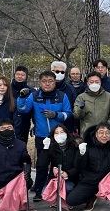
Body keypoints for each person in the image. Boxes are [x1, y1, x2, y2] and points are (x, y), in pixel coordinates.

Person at [16, 70, 72, 201]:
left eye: (50, 81)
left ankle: (56, 187)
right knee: (41, 164)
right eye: (44, 81)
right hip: (42, 136)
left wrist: (56, 115)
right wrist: (21, 98)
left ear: (55, 82)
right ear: (40, 83)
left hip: (58, 136)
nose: (47, 84)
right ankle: (39, 190)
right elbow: (22, 109)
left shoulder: (62, 96)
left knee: (58, 163)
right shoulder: (34, 96)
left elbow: (68, 113)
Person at [66, 123, 110, 211]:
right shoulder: (88, 147)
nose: (104, 135)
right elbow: (79, 167)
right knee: (72, 200)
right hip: (90, 181)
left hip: (108, 181)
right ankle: (91, 196)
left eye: (107, 133)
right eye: (101, 132)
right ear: (96, 134)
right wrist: (81, 154)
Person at [37, 124, 86, 196]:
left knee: (67, 188)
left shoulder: (74, 146)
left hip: (71, 179)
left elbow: (79, 166)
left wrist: (68, 173)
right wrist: (45, 149)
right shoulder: (51, 147)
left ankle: (67, 199)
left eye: (62, 132)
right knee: (45, 191)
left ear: (66, 133)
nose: (59, 135)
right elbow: (42, 164)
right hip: (55, 179)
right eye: (56, 133)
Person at [73, 71, 110, 136]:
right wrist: (80, 108)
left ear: (100, 82)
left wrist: (107, 126)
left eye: (97, 82)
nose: (94, 84)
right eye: (91, 82)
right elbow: (77, 116)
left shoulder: (109, 97)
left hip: (104, 134)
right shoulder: (81, 97)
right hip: (87, 133)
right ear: (87, 83)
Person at [52, 61, 78, 133]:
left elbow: (74, 108)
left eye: (62, 72)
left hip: (67, 126)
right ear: (52, 71)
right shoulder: (46, 87)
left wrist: (75, 126)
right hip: (49, 125)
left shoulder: (70, 89)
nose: (59, 74)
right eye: (57, 71)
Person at [10, 66, 33, 143]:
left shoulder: (31, 91)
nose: (20, 76)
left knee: (21, 145)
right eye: (17, 74)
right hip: (8, 121)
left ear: (26, 77)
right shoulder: (8, 89)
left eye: (22, 75)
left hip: (24, 122)